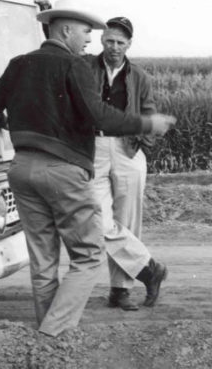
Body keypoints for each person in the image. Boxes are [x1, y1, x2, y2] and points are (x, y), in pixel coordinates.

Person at [0, 0, 176, 337]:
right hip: (64, 171)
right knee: (88, 255)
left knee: (43, 260)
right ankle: (52, 335)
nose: (88, 40)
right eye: (85, 32)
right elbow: (99, 116)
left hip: (21, 169)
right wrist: (145, 122)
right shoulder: (75, 65)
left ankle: (51, 335)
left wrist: (7, 123)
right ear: (66, 30)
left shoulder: (19, 64)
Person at [85, 17, 167, 311]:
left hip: (127, 149)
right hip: (93, 147)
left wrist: (142, 146)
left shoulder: (140, 77)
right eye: (110, 41)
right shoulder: (84, 69)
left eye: (121, 42)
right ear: (101, 40)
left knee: (128, 221)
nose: (114, 47)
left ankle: (120, 292)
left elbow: (149, 111)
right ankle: (150, 269)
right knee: (97, 218)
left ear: (129, 44)